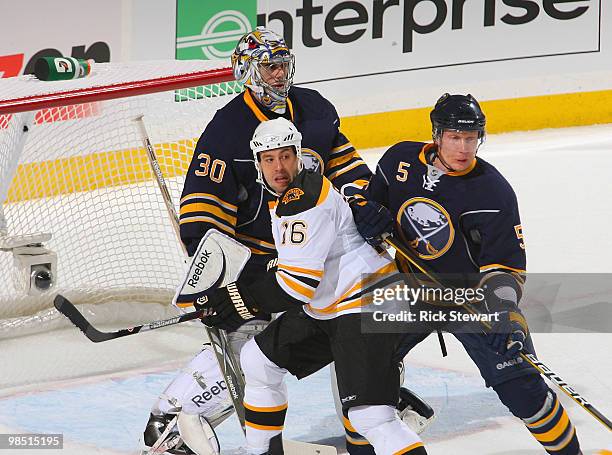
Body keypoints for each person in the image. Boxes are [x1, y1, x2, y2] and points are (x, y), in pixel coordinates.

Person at [143, 27, 432, 455]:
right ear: (246, 72)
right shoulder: (225, 133)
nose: (278, 75)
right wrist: (222, 280)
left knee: (354, 364)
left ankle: (378, 409)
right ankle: (174, 419)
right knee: (254, 359)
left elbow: (347, 169)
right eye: (268, 66)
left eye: (282, 65)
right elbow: (201, 216)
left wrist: (365, 204)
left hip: (322, 266)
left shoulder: (314, 110)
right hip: (262, 261)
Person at [353, 93, 582, 454]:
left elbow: (506, 270)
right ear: (437, 135)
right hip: (408, 290)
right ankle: (390, 418)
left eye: (472, 137)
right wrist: (366, 214)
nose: (464, 148)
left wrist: (502, 314)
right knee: (361, 378)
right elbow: (371, 203)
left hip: (469, 300)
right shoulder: (398, 159)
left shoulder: (493, 191)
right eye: (455, 137)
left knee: (523, 391)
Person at [199, 117, 428, 455]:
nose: (279, 167)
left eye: (286, 156)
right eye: (269, 159)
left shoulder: (302, 199)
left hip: (368, 305)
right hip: (332, 307)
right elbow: (299, 269)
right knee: (257, 359)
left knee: (372, 419)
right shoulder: (288, 197)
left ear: (299, 155)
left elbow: (297, 288)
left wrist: (235, 299)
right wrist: (240, 296)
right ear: (258, 164)